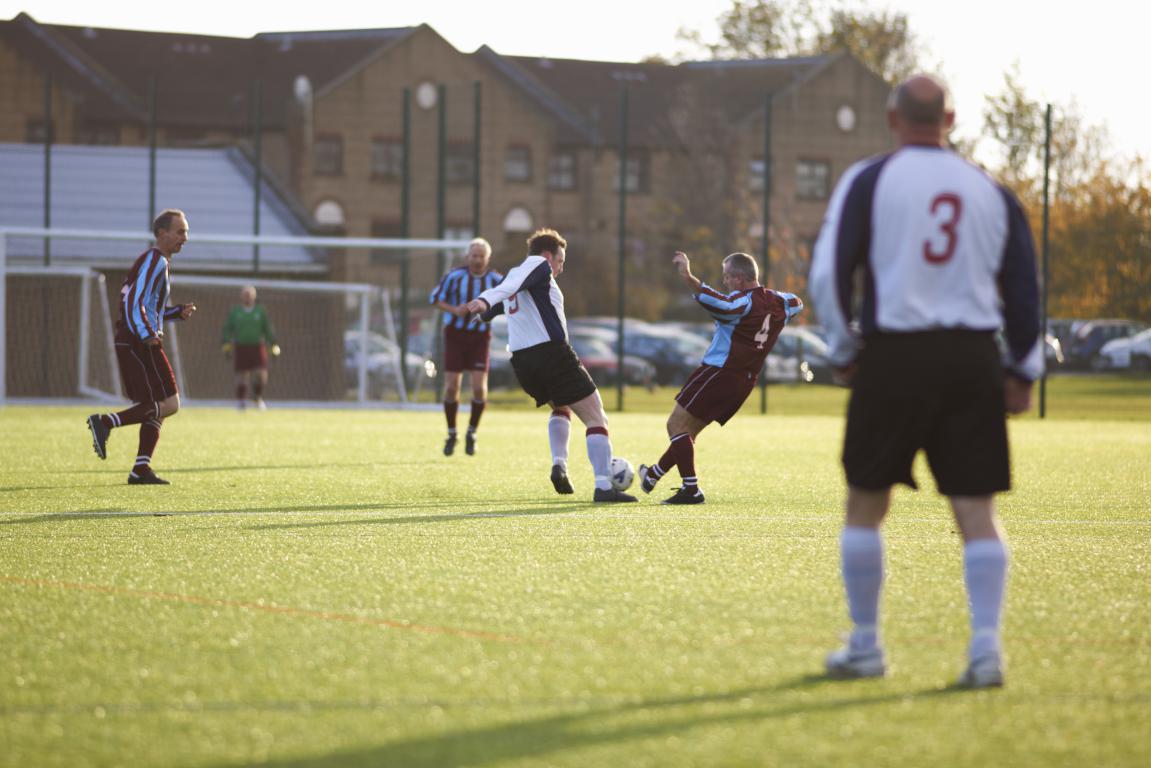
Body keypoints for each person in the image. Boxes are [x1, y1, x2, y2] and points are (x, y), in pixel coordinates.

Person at [807, 75, 1042, 688]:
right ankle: (986, 652)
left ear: (892, 117)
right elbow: (1023, 288)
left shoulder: (869, 179)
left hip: (894, 357)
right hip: (970, 360)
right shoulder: (990, 190)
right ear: (952, 119)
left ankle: (865, 646)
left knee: (865, 503)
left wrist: (841, 350)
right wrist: (1022, 369)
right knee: (976, 510)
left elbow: (830, 274)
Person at [465, 228, 636, 502]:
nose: (561, 268)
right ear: (547, 256)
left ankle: (560, 463)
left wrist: (485, 311)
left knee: (561, 406)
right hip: (551, 355)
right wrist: (484, 299)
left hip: (523, 362)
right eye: (560, 261)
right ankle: (604, 486)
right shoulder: (537, 266)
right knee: (596, 416)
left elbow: (505, 299)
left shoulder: (519, 275)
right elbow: (502, 292)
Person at [637, 251, 803, 504]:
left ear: (739, 278)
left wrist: (688, 276)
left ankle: (691, 490)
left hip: (719, 372)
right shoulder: (782, 302)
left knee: (675, 426)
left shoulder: (741, 304)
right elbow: (797, 303)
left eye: (727, 277)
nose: (725, 282)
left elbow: (724, 305)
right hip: (745, 381)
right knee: (688, 432)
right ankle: (653, 475)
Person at [86, 209, 198, 485]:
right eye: (180, 231)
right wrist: (148, 334)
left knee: (156, 403)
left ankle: (141, 468)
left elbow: (146, 304)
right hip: (139, 339)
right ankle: (105, 422)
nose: (186, 237)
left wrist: (173, 313)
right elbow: (134, 301)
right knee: (170, 403)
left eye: (186, 231)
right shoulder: (155, 259)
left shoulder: (157, 261)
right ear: (162, 233)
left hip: (134, 336)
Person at [429, 238, 503, 456]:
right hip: (455, 336)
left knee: (479, 387)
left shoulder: (496, 280)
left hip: (480, 338)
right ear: (467, 257)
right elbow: (434, 298)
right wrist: (455, 310)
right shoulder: (454, 276)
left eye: (482, 256)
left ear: (488, 258)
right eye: (474, 255)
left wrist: (491, 313)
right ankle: (452, 433)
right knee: (452, 386)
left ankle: (472, 431)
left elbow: (508, 300)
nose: (477, 259)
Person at [221, 285, 279, 410]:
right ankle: (241, 401)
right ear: (241, 296)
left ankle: (257, 398)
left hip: (257, 346)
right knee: (242, 375)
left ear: (254, 296)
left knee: (261, 373)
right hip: (241, 346)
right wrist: (226, 345)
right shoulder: (235, 311)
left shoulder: (261, 311)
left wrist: (273, 344)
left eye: (250, 294)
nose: (248, 297)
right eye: (245, 294)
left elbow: (267, 328)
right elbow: (227, 329)